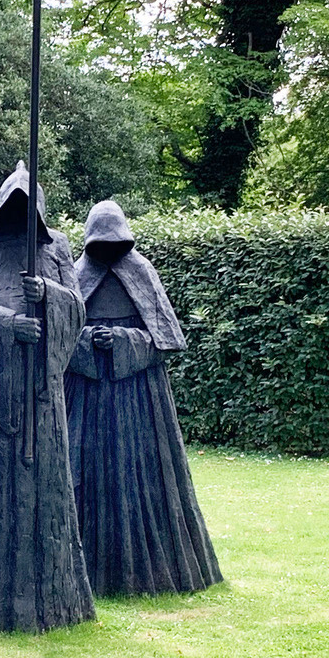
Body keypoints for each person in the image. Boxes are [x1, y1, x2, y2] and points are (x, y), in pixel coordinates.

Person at [0, 162, 94, 633]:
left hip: (42, 392)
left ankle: (53, 598)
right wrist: (8, 322)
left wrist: (48, 293)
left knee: (46, 492)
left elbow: (76, 308)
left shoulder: (58, 248)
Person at [65, 199, 223, 596]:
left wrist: (122, 339)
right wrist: (88, 340)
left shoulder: (142, 271)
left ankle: (154, 571)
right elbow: (60, 337)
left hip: (140, 401)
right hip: (87, 399)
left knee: (147, 475)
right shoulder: (75, 275)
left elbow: (165, 341)